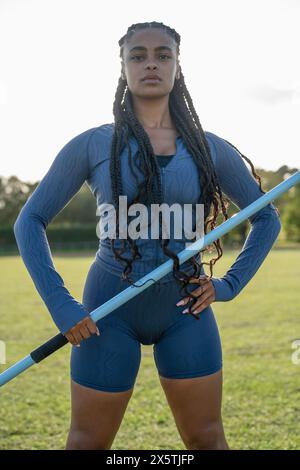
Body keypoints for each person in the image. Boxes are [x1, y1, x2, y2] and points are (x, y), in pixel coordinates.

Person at [13, 21, 281, 450]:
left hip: (185, 311)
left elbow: (266, 219)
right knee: (86, 442)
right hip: (106, 314)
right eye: (138, 55)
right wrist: (61, 304)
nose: (151, 63)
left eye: (163, 55)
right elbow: (29, 220)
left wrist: (228, 284)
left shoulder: (209, 148)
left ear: (178, 65)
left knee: (208, 439)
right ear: (123, 67)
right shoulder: (92, 144)